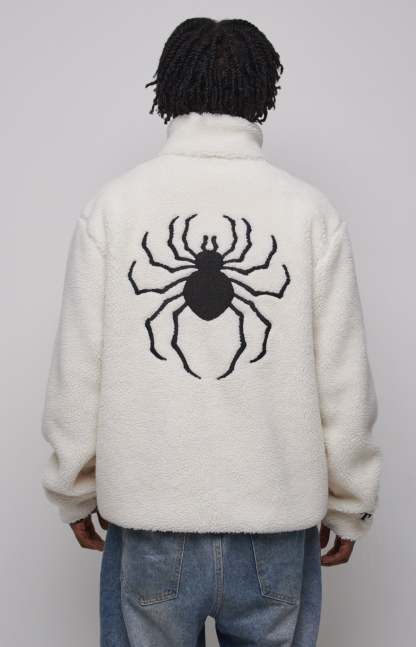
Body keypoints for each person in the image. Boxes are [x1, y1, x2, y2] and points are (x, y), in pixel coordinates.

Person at [42, 17, 381, 647]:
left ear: (167, 87)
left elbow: (78, 368)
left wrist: (73, 488)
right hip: (275, 527)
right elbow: (343, 376)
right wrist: (350, 502)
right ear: (264, 92)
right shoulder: (308, 212)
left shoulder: (116, 206)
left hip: (149, 523)